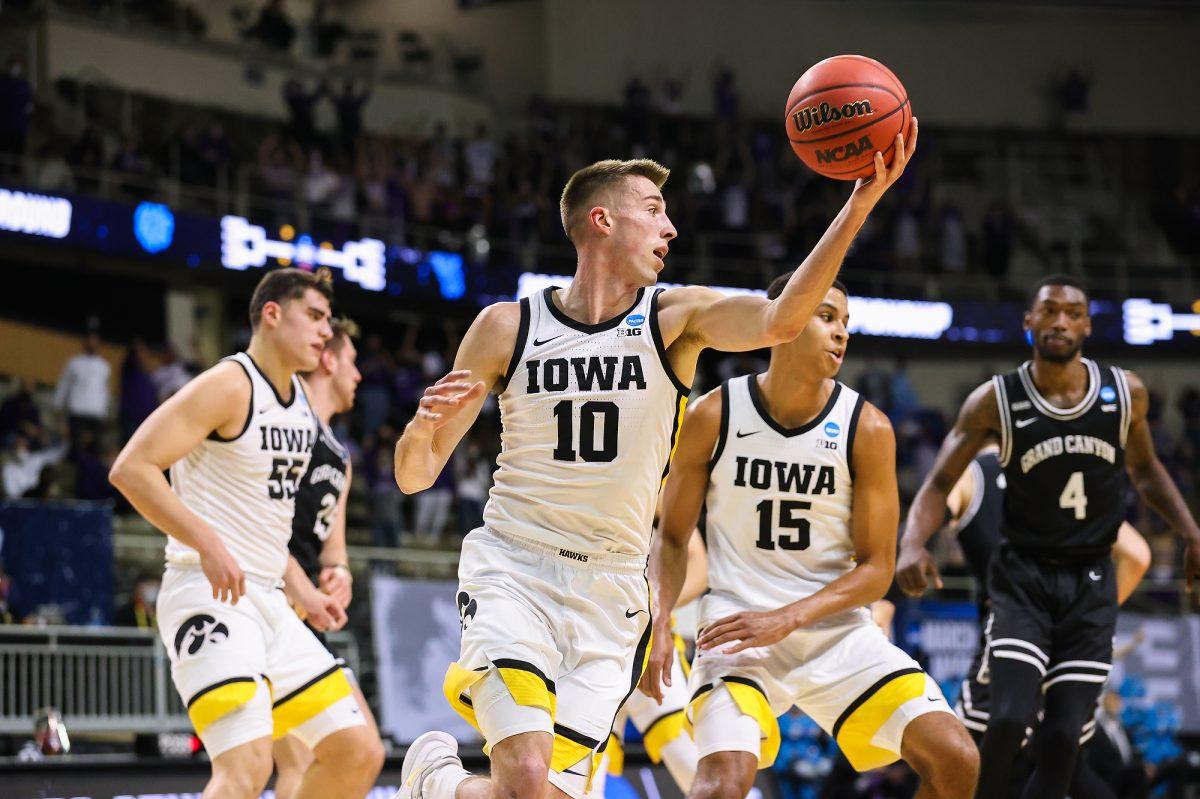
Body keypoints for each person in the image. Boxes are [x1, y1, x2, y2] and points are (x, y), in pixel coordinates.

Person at [394, 124, 918, 799]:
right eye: (653, 210)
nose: (669, 228)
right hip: (515, 566)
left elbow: (782, 321)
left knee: (536, 794)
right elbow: (415, 474)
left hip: (614, 589)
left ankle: (437, 782)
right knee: (524, 772)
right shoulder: (506, 327)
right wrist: (419, 427)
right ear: (602, 220)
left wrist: (859, 205)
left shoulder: (676, 318)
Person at [645, 277, 977, 799]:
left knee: (956, 758)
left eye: (846, 322)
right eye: (826, 316)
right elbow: (671, 539)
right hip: (737, 631)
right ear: (784, 320)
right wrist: (658, 620)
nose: (841, 333)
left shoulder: (867, 427)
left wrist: (787, 618)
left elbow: (877, 569)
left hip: (835, 632)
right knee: (720, 785)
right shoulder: (714, 413)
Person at [895, 275, 1200, 799]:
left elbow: (1147, 470)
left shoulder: (1125, 393)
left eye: (1072, 313)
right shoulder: (996, 400)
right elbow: (940, 481)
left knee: (1062, 738)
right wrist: (912, 543)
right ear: (1029, 322)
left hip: (1091, 582)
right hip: (1023, 579)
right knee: (1008, 719)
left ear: (1087, 324)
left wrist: (1192, 532)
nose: (1060, 321)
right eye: (1049, 311)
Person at [109, 269, 381, 799]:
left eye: (329, 320)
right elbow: (131, 468)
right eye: (316, 316)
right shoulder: (230, 383)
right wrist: (207, 541)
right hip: (208, 595)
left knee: (358, 752)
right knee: (246, 770)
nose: (327, 331)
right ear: (272, 315)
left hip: (271, 601)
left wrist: (306, 590)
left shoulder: (305, 411)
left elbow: (265, 524)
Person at [899, 445, 1151, 798]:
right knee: (1066, 763)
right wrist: (1092, 613)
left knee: (961, 757)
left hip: (1013, 624)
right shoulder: (1059, 467)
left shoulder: (970, 474)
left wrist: (914, 546)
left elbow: (934, 508)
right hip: (1075, 627)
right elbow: (1138, 555)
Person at [274, 316, 385, 799]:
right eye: (353, 362)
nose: (358, 376)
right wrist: (297, 587)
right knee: (317, 754)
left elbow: (332, 548)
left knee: (298, 761)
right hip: (267, 604)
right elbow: (253, 523)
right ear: (327, 358)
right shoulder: (281, 425)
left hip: (301, 616)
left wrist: (338, 575)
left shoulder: (339, 455)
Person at [54, 330, 111, 448]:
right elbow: (64, 385)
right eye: (89, 339)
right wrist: (58, 407)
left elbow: (105, 391)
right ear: (85, 342)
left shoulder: (104, 366)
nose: (92, 343)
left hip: (95, 414)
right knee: (75, 449)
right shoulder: (74, 363)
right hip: (77, 412)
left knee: (94, 450)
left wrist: (105, 412)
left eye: (94, 340)